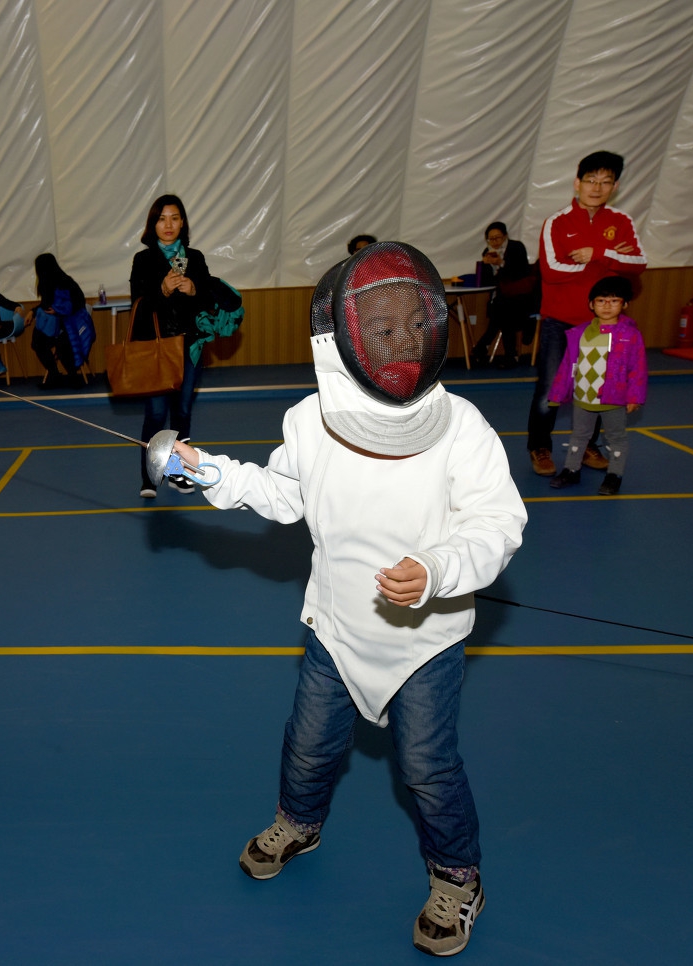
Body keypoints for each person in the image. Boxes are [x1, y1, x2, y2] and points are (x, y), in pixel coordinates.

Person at [169, 243, 526, 957]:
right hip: (334, 628)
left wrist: (437, 568)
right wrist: (208, 471)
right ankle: (299, 821)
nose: (401, 339)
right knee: (307, 746)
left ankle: (458, 875)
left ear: (435, 323)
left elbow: (500, 524)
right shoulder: (310, 422)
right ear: (344, 339)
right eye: (381, 327)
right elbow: (281, 495)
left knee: (426, 766)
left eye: (411, 323)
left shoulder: (462, 428)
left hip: (425, 640)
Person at [527, 151, 646, 475]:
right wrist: (610, 262)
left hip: (604, 327)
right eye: (591, 180)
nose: (597, 187)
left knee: (598, 388)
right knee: (550, 390)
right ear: (577, 182)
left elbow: (638, 262)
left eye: (605, 181)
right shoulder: (557, 222)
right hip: (560, 323)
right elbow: (552, 270)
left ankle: (588, 445)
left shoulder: (621, 222)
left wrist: (597, 253)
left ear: (615, 186)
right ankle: (539, 447)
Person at [129, 194, 211, 497]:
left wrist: (194, 290)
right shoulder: (144, 260)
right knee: (155, 413)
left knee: (183, 412)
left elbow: (209, 302)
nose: (168, 224)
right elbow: (137, 303)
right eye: (162, 218)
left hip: (189, 347)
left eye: (174, 218)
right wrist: (161, 290)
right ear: (153, 224)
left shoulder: (196, 257)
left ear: (182, 222)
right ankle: (150, 477)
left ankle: (178, 472)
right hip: (156, 349)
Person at [547, 276, 646, 495]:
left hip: (614, 397)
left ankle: (614, 475)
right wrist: (558, 392)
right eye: (601, 301)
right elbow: (568, 365)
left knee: (616, 437)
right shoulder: (578, 333)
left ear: (625, 304)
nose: (607, 306)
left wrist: (634, 397)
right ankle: (571, 470)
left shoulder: (630, 336)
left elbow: (638, 368)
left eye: (614, 301)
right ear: (591, 304)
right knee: (579, 435)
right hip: (584, 396)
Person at [469, 222, 537, 369]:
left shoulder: (516, 247)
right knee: (503, 312)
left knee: (503, 311)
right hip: (503, 299)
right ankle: (509, 355)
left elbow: (520, 272)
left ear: (505, 236)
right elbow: (489, 281)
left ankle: (482, 348)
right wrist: (488, 265)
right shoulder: (488, 252)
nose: (494, 242)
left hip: (522, 296)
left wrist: (501, 262)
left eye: (497, 238)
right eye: (491, 239)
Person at [30, 252, 94, 388]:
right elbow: (46, 304)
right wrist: (33, 311)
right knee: (38, 342)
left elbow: (79, 302)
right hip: (57, 324)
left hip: (72, 323)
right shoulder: (47, 284)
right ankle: (54, 374)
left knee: (62, 343)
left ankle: (72, 375)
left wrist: (59, 310)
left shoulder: (66, 282)